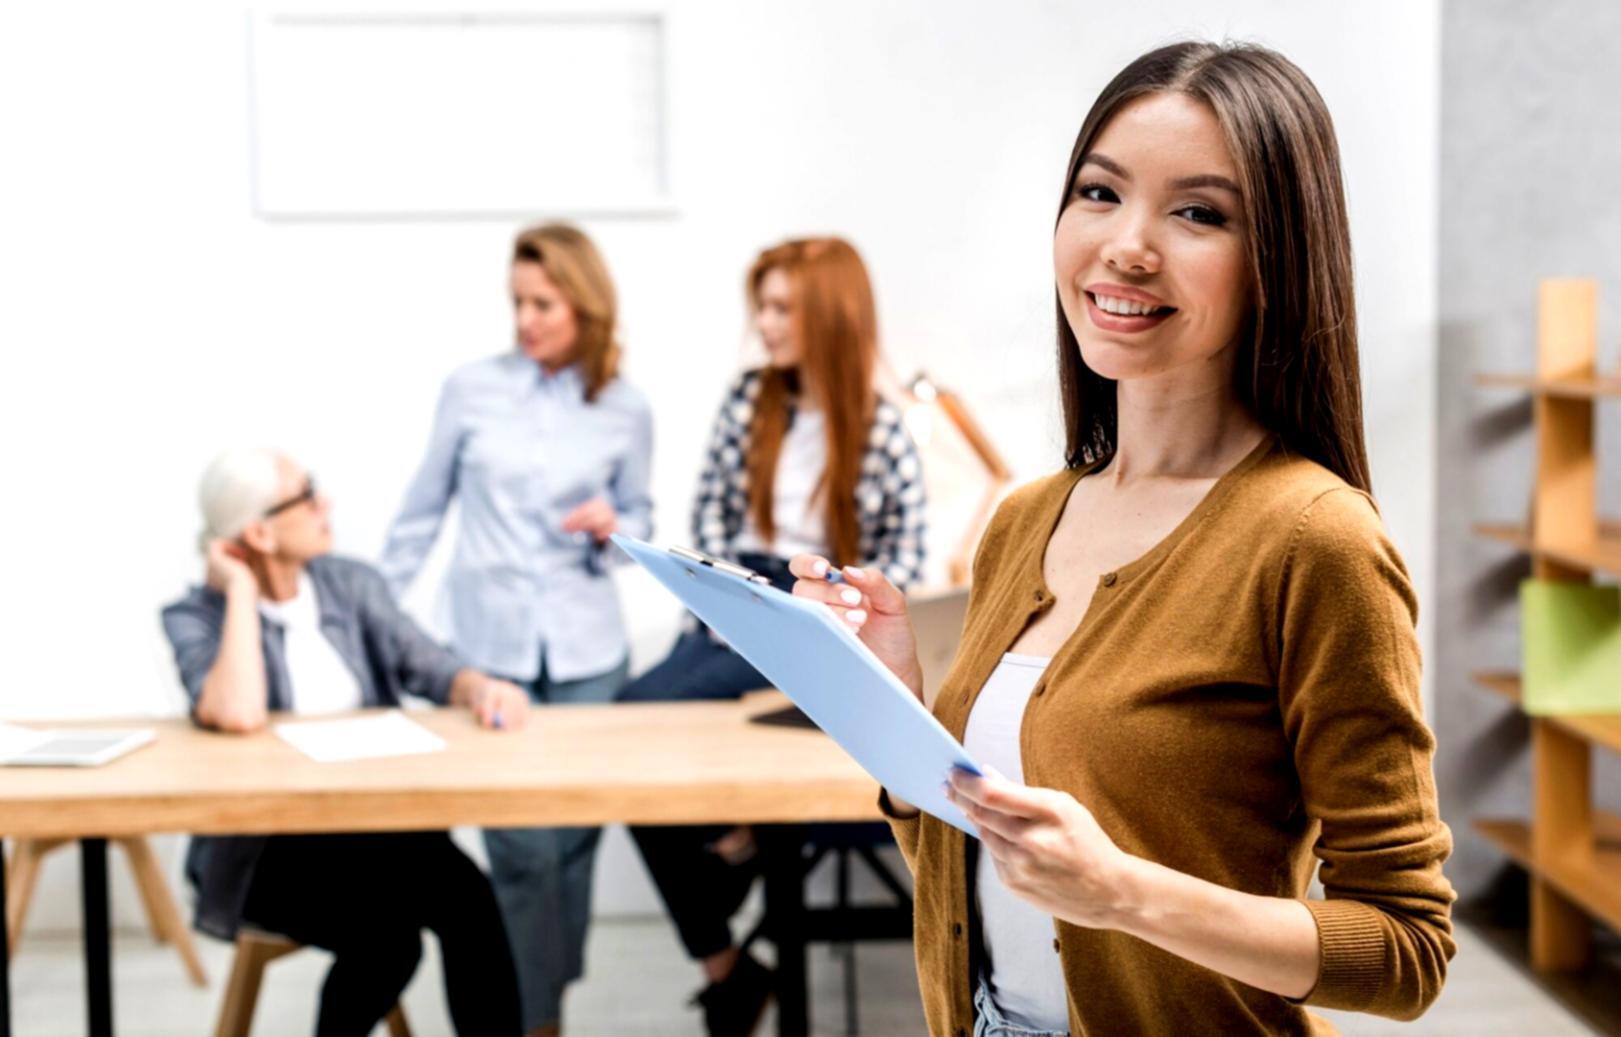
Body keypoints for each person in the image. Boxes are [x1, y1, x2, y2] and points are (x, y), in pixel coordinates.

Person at [790, 42, 1456, 1037]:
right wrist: (901, 714)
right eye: (1099, 193)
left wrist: (1125, 891)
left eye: (1198, 212)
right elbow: (986, 872)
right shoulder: (1025, 518)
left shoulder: (1315, 542)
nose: (1126, 246)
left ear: (1279, 254)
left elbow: (1406, 951)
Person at [620, 236, 926, 1035]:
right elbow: (712, 526)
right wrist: (732, 605)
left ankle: (738, 847)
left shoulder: (886, 431)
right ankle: (725, 927)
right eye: (761, 306)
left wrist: (831, 605)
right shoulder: (746, 404)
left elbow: (908, 568)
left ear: (828, 313)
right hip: (742, 605)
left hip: (832, 617)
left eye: (781, 306)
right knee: (631, 721)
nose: (764, 324)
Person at [379, 223, 653, 1037]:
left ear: (584, 303)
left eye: (543, 302)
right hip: (489, 651)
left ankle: (546, 999)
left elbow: (641, 518)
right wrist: (376, 619)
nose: (526, 318)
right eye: (518, 302)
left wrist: (615, 526)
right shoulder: (470, 388)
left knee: (570, 846)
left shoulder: (624, 407)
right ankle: (531, 1020)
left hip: (585, 649)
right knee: (520, 851)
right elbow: (421, 510)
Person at [160, 448, 528, 1037]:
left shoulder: (350, 585)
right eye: (306, 496)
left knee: (471, 900)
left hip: (374, 828)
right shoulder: (194, 616)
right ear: (259, 531)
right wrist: (239, 594)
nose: (323, 504)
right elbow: (237, 710)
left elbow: (427, 664)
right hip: (268, 852)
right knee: (386, 942)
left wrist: (480, 686)